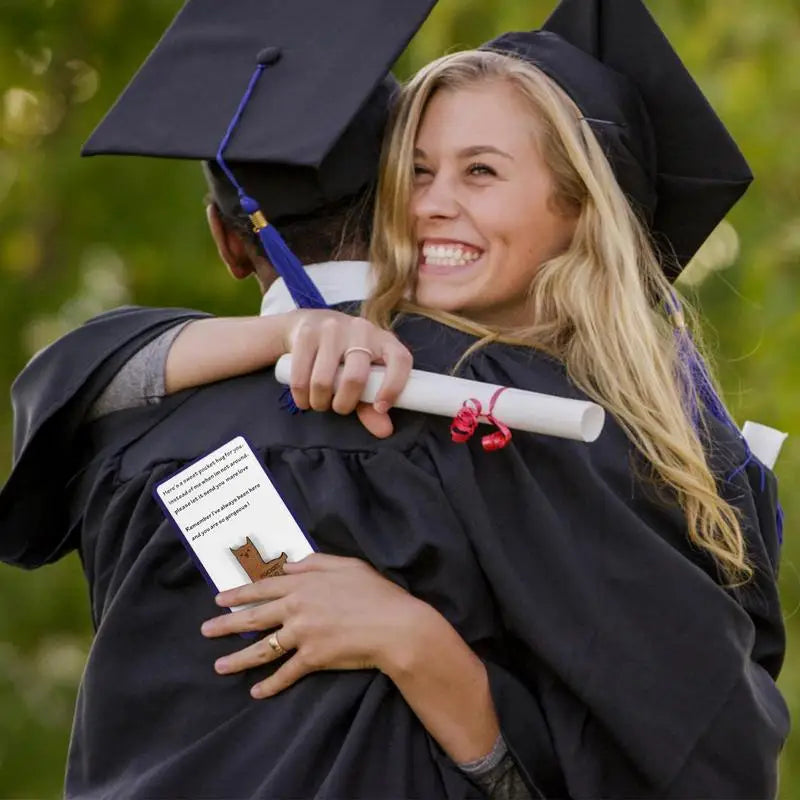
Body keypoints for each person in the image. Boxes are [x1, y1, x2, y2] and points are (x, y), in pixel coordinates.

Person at [2, 1, 788, 799]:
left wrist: (416, 643)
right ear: (383, 201)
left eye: (480, 171)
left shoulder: (142, 424)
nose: (436, 201)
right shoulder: (481, 420)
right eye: (416, 171)